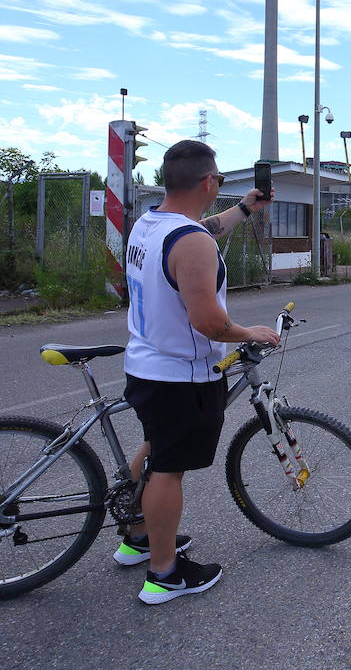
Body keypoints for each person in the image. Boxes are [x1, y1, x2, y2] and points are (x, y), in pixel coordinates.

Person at [112, 139, 280, 605]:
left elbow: (200, 233)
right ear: (208, 182)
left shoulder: (151, 225)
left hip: (146, 365)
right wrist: (251, 332)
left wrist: (244, 209)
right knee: (169, 468)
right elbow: (208, 322)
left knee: (155, 447)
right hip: (181, 375)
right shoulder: (191, 243)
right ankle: (163, 574)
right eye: (221, 181)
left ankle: (138, 538)